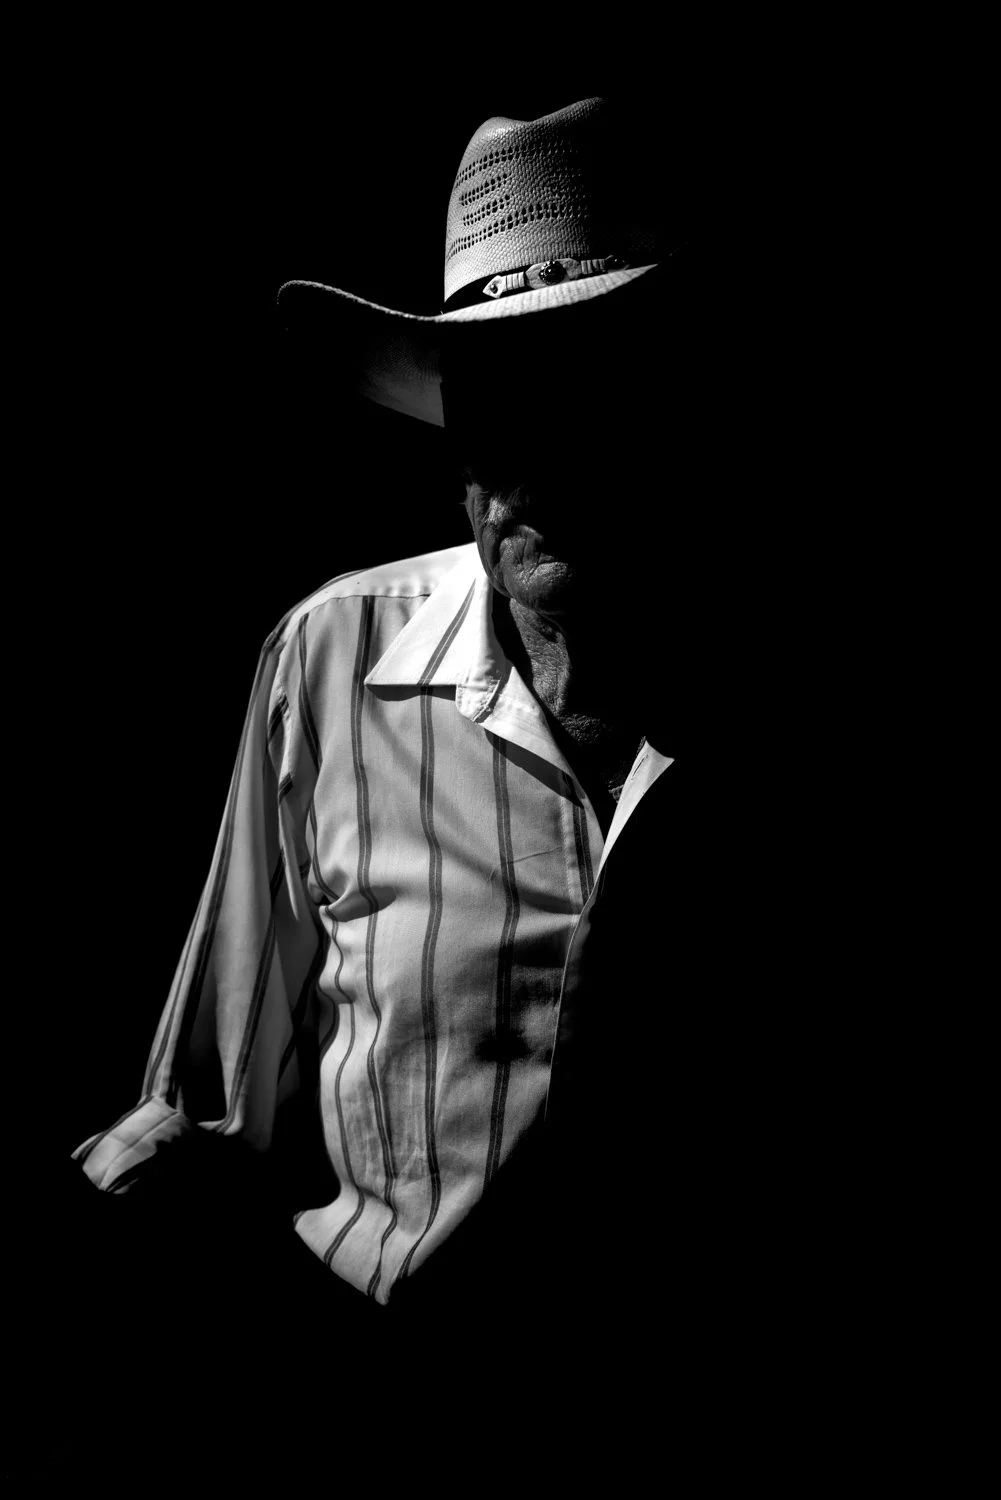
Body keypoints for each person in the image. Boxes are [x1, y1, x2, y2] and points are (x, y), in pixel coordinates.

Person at [66, 96, 770, 1477]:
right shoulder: (329, 663)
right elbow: (202, 1118)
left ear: (679, 397)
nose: (541, 456)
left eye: (593, 385)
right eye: (498, 400)